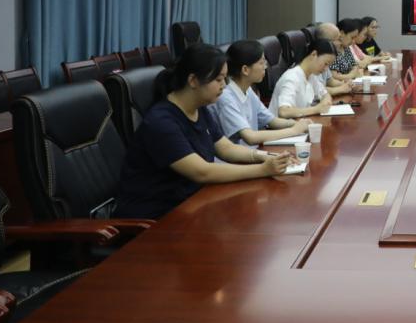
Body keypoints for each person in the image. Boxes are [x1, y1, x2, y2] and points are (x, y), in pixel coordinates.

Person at [114, 44, 293, 219]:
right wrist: (263, 169)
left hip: (193, 203)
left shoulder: (200, 109)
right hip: (158, 218)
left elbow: (226, 148)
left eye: (224, 79)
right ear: (193, 81)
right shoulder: (161, 122)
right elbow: (202, 172)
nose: (224, 86)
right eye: (218, 80)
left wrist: (266, 157)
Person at [214, 40, 310, 146]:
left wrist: (298, 124)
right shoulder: (226, 97)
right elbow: (250, 137)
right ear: (245, 70)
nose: (265, 66)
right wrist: (294, 130)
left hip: (255, 151)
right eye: (261, 62)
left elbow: (272, 121)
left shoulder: (247, 90)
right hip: (241, 155)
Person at [271, 37, 337, 118]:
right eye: (326, 64)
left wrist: (325, 102)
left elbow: (325, 94)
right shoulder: (292, 77)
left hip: (300, 122)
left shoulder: (311, 75)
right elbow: (284, 111)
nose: (326, 69)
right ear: (314, 54)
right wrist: (317, 109)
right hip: (283, 125)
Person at [309, 22, 354, 97]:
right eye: (339, 39)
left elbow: (330, 81)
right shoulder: (315, 60)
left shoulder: (325, 57)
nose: (341, 42)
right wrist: (341, 89)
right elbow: (318, 90)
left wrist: (344, 84)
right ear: (328, 42)